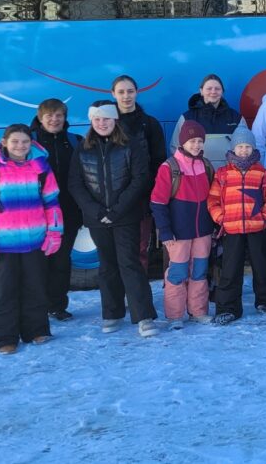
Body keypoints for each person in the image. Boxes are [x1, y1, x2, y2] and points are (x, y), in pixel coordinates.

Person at [67, 102, 159, 337]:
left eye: (106, 118)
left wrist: (117, 210)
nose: (102, 123)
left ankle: (143, 316)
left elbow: (140, 178)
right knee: (107, 266)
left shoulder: (131, 144)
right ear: (91, 122)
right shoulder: (83, 148)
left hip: (125, 216)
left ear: (115, 120)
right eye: (97, 119)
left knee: (130, 264)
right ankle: (112, 313)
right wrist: (96, 211)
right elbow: (75, 184)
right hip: (97, 218)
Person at [0, 124, 63, 354]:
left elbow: (52, 203)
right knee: (4, 292)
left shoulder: (41, 168)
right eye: (15, 141)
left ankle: (36, 330)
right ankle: (4, 339)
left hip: (35, 241)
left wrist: (54, 233)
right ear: (4, 142)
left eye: (25, 142)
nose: (20, 146)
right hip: (3, 244)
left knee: (35, 288)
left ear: (31, 143)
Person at [209, 127, 266, 325]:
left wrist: (265, 217)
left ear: (253, 148)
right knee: (230, 269)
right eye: (240, 146)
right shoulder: (223, 174)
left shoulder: (262, 173)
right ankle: (228, 308)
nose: (243, 150)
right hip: (232, 229)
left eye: (247, 147)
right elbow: (213, 200)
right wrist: (221, 218)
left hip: (257, 228)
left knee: (263, 267)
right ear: (233, 148)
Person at [149, 120, 215, 329]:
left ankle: (198, 311)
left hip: (203, 231)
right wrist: (165, 231)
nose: (196, 145)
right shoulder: (170, 167)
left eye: (199, 141)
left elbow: (213, 198)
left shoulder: (206, 165)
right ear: (182, 142)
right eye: (191, 141)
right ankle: (175, 316)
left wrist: (213, 226)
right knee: (177, 273)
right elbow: (158, 203)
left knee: (199, 272)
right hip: (178, 233)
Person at [29, 98, 82, 322]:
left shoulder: (75, 141)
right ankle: (36, 306)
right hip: (35, 215)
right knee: (37, 263)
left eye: (59, 115)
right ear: (40, 118)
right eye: (49, 115)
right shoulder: (28, 143)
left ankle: (57, 305)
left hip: (67, 213)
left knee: (61, 261)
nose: (54, 119)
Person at [111, 75, 166, 272]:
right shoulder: (107, 124)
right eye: (121, 92)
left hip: (142, 198)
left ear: (137, 92)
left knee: (140, 249)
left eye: (130, 91)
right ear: (113, 94)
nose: (126, 96)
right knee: (115, 252)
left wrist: (149, 191)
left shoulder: (150, 124)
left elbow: (159, 162)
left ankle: (138, 290)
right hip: (115, 199)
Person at [168, 74, 246, 169]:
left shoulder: (236, 117)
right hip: (197, 173)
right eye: (209, 88)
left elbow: (247, 146)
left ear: (222, 92)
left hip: (229, 173)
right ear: (201, 91)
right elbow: (175, 147)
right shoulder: (187, 117)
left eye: (217, 89)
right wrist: (189, 170)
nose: (213, 92)